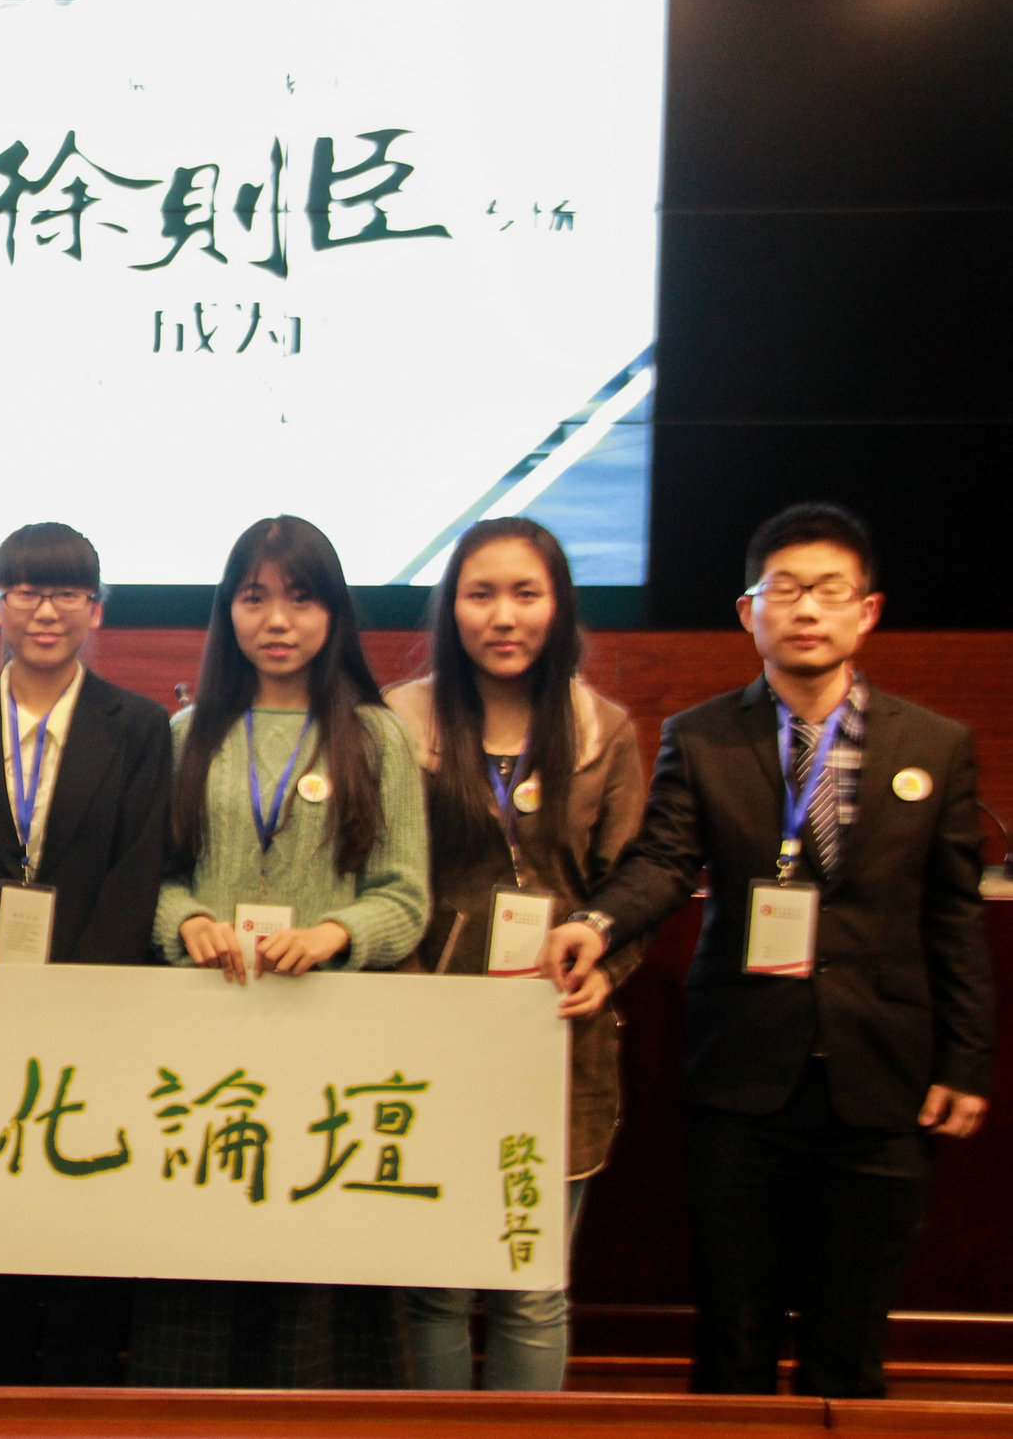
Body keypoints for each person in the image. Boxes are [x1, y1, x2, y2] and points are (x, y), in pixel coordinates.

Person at [542, 503, 993, 1399]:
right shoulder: (702, 735)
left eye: (829, 590)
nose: (806, 608)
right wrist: (596, 923)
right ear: (748, 612)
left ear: (866, 611)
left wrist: (964, 1061)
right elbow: (662, 861)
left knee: (848, 1341)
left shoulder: (933, 745)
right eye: (784, 589)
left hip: (883, 1079)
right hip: (742, 1076)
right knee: (732, 1334)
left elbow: (952, 916)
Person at [130, 514, 428, 1390]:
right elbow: (152, 880)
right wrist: (185, 921)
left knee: (310, 1255)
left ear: (333, 612)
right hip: (205, 1045)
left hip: (326, 1039)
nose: (276, 620)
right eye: (254, 597)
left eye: (300, 598)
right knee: (205, 1243)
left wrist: (338, 933)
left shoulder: (376, 736)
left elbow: (405, 895)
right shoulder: (187, 732)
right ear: (227, 610)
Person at [382, 517, 646, 1391]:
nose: (503, 615)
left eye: (525, 593)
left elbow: (632, 885)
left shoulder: (602, 729)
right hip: (429, 1036)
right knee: (433, 1290)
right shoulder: (398, 724)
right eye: (480, 593)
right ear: (450, 608)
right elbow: (377, 878)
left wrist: (604, 964)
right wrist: (412, 996)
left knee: (531, 1288)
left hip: (556, 1034)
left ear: (557, 605)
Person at [0, 522, 170, 1385]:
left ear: (96, 609)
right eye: (25, 590)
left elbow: (138, 875)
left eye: (67, 591)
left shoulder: (139, 728)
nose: (45, 609)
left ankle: (81, 1397)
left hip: (97, 1023)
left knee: (84, 1212)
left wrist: (72, 1004)